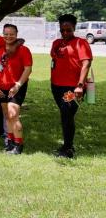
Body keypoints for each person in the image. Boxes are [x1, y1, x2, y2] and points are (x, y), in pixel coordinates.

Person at [50, 14, 92, 158]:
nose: (66, 33)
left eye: (69, 30)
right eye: (63, 30)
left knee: (67, 114)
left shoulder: (81, 43)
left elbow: (86, 63)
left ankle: (68, 149)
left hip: (73, 87)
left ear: (74, 28)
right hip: (56, 86)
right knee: (64, 114)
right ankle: (66, 145)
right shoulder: (56, 43)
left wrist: (80, 85)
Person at [0, 24, 32, 155]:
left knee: (13, 114)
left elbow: (27, 69)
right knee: (7, 116)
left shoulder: (23, 50)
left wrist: (18, 85)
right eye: (6, 33)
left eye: (12, 34)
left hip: (16, 87)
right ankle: (10, 142)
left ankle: (18, 145)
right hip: (2, 87)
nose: (9, 36)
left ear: (16, 34)